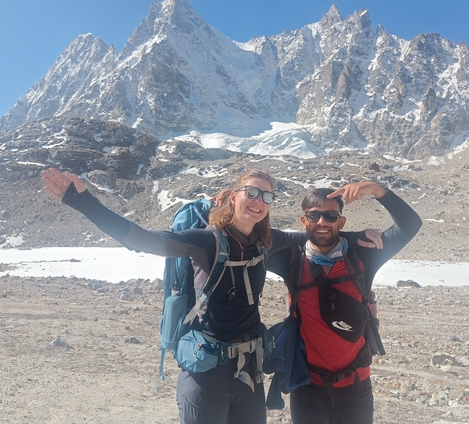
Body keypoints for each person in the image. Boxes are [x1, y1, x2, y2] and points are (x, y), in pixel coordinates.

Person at [40, 167, 380, 424]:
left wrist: (361, 234)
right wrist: (83, 201)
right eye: (252, 192)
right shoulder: (205, 240)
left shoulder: (268, 240)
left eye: (267, 196)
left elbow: (318, 232)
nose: (259, 201)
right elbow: (142, 239)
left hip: (249, 372)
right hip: (207, 372)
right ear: (234, 197)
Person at [267, 182, 422, 424]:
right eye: (313, 216)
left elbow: (410, 225)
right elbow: (249, 237)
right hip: (307, 385)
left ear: (342, 221)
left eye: (330, 216)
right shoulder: (291, 257)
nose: (322, 222)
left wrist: (375, 189)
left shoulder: (365, 253)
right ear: (303, 220)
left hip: (355, 385)